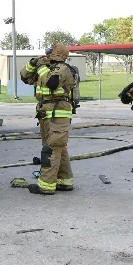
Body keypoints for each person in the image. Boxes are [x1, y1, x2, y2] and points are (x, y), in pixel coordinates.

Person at [24, 43, 76, 195]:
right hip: (47, 115)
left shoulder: (63, 69)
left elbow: (52, 83)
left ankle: (46, 186)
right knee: (59, 148)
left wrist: (41, 67)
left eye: (50, 51)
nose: (47, 53)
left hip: (58, 115)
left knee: (51, 150)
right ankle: (64, 181)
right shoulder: (47, 68)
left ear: (57, 54)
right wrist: (33, 63)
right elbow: (24, 77)